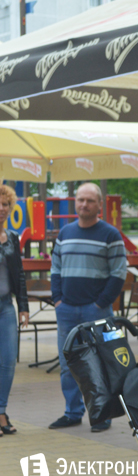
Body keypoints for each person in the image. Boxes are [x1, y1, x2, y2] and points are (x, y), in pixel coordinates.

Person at [49, 182, 128, 433]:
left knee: (101, 364)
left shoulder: (110, 234)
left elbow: (118, 274)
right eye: (80, 200)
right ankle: (72, 413)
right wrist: (58, 301)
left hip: (98, 312)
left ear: (99, 205)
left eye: (90, 201)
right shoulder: (65, 233)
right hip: (67, 311)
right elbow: (55, 270)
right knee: (67, 363)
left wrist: (100, 303)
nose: (84, 204)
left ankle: (102, 414)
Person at [0, 184, 29, 437]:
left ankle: (1, 411)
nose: (1, 208)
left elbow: (19, 274)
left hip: (6, 308)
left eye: (5, 204)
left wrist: (24, 307)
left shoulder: (12, 237)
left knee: (8, 362)